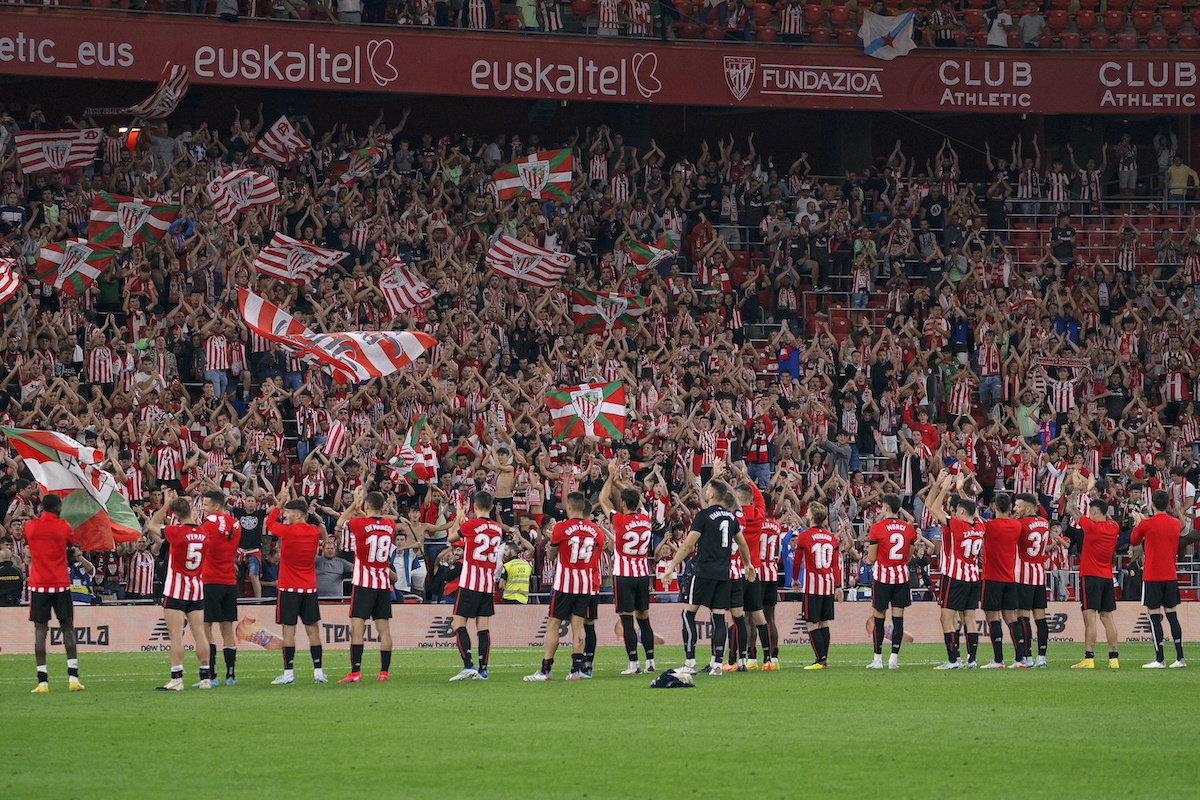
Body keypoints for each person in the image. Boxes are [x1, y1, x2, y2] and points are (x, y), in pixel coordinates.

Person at [662, 476, 756, 677]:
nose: (705, 493)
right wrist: (748, 564)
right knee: (719, 617)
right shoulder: (732, 517)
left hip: (703, 572)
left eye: (708, 491)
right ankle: (716, 664)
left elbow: (688, 544)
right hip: (723, 574)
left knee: (688, 614)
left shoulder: (704, 515)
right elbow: (742, 543)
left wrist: (671, 566)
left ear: (712, 494)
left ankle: (690, 662)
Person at [525, 492, 606, 681]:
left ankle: (546, 670)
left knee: (553, 624)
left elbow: (551, 555)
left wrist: (555, 549)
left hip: (565, 583)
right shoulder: (597, 531)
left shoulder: (561, 527)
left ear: (569, 507)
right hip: (585, 584)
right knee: (579, 627)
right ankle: (576, 670)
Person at [146, 490, 213, 691]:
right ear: (192, 512)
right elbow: (196, 528)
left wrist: (166, 505)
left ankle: (177, 678)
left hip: (176, 589)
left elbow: (151, 525)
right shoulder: (203, 533)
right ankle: (205, 677)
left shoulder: (176, 532)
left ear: (175, 516)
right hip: (197, 589)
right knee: (200, 633)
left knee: (176, 635)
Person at [599, 459, 657, 675]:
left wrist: (611, 477)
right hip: (642, 574)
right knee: (644, 620)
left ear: (623, 504)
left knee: (627, 620)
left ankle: (634, 665)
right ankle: (651, 662)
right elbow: (636, 499)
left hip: (623, 575)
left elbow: (603, 499)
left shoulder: (619, 520)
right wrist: (623, 486)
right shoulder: (646, 518)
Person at [265, 484, 327, 685]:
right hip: (309, 588)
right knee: (313, 631)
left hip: (288, 588)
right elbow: (322, 531)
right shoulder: (313, 531)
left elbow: (268, 522)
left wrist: (280, 500)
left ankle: (288, 674)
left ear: (298, 515)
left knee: (288, 631)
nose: (285, 515)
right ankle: (318, 672)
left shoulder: (287, 532)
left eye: (288, 512)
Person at [24, 494, 84, 693]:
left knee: (40, 631)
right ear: (58, 508)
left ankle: (42, 682)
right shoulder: (64, 526)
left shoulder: (30, 527)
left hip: (39, 584)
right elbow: (72, 544)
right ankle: (73, 679)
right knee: (68, 628)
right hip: (60, 584)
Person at [337, 487, 397, 684]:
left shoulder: (359, 523)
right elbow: (373, 522)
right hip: (382, 583)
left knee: (357, 628)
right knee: (384, 630)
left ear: (367, 505)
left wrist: (355, 503)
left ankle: (355, 673)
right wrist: (364, 507)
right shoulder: (390, 525)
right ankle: (384, 672)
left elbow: (340, 523)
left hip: (363, 583)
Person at [926, 473, 983, 670]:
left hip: (955, 576)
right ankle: (972, 660)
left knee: (946, 617)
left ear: (961, 512)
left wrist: (944, 487)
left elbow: (933, 508)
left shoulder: (957, 525)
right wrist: (960, 490)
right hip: (974, 576)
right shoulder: (980, 526)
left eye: (958, 509)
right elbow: (973, 512)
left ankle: (952, 661)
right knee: (970, 617)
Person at [865, 495, 929, 669]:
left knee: (879, 618)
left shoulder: (877, 528)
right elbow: (908, 557)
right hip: (901, 577)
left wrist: (872, 559)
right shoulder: (908, 528)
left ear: (885, 508)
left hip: (883, 577)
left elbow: (871, 557)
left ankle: (877, 659)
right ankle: (894, 659)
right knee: (898, 619)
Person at [447, 490, 504, 681]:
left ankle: (468, 665)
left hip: (470, 582)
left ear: (475, 506)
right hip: (488, 584)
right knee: (483, 627)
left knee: (458, 623)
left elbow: (451, 538)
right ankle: (483, 669)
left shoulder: (471, 524)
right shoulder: (497, 528)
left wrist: (458, 517)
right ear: (490, 506)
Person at [1066, 477, 1120, 669]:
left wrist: (1077, 490)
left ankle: (1089, 657)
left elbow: (1070, 508)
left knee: (1090, 617)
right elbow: (1102, 507)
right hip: (1107, 577)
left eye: (1091, 512)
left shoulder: (1091, 527)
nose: (1089, 514)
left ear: (1095, 513)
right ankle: (1113, 658)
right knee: (1108, 617)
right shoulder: (1113, 527)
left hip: (1090, 575)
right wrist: (1092, 492)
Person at [791, 503, 852, 669]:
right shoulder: (831, 538)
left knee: (812, 623)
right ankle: (824, 658)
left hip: (812, 586)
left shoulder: (804, 536)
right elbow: (836, 565)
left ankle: (820, 660)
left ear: (811, 517)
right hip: (828, 585)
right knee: (824, 623)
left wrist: (795, 578)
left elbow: (797, 561)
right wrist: (838, 585)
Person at [1130, 491, 1186, 668]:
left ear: (1152, 504)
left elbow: (1134, 540)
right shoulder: (1175, 523)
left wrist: (1137, 523)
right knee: (1172, 615)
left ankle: (1160, 659)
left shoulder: (1146, 524)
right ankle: (1180, 658)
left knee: (1154, 616)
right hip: (1170, 575)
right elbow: (1181, 526)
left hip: (1153, 575)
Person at [980, 494, 1026, 668]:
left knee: (992, 617)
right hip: (1010, 578)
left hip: (992, 578)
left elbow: (973, 519)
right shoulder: (1016, 526)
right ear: (1010, 507)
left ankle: (998, 660)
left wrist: (962, 492)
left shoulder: (989, 526)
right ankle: (1019, 659)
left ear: (994, 507)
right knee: (1012, 618)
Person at [200, 490, 241, 686]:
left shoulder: (207, 524)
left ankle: (212, 675)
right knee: (227, 630)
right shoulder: (236, 524)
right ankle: (231, 675)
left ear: (216, 506)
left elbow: (202, 548)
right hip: (229, 582)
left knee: (206, 628)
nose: (203, 508)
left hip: (210, 580)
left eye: (206, 505)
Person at [1015, 493, 1060, 668]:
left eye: (1018, 506)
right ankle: (1042, 656)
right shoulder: (1045, 523)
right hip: (1040, 576)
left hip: (1023, 575)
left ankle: (1027, 655)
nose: (1015, 509)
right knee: (1040, 617)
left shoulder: (1020, 524)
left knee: (1022, 616)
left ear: (1027, 507)